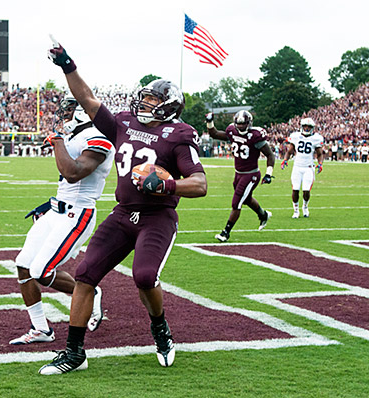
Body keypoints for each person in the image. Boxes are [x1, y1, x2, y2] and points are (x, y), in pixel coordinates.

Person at [39, 37, 207, 375]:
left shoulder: (179, 134)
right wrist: (67, 64)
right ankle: (74, 353)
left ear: (169, 106)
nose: (144, 103)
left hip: (156, 217)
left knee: (145, 276)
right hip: (121, 215)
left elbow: (200, 184)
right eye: (143, 97)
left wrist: (167, 184)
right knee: (86, 274)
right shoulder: (124, 122)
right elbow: (86, 99)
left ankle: (159, 328)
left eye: (152, 99)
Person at [10, 96, 115, 345]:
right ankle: (41, 329)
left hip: (77, 214)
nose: (63, 116)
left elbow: (73, 173)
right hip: (57, 211)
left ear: (83, 113)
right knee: (23, 265)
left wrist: (57, 143)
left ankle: (91, 291)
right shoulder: (74, 137)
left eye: (68, 111)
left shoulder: (98, 138)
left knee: (41, 271)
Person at [205, 111, 275, 242]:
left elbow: (270, 155)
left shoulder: (255, 136)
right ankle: (263, 215)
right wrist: (209, 121)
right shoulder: (232, 131)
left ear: (249, 123)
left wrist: (269, 174)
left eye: (243, 124)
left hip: (251, 175)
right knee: (246, 199)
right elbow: (214, 134)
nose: (241, 127)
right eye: (239, 124)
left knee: (236, 203)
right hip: (238, 174)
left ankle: (226, 232)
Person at [281, 118, 324, 218]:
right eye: (305, 126)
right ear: (301, 126)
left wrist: (320, 163)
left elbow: (320, 153)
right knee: (295, 189)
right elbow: (290, 151)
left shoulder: (316, 138)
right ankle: (296, 210)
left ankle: (305, 207)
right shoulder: (296, 136)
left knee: (306, 190)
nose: (307, 128)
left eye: (309, 127)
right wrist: (285, 160)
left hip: (308, 167)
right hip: (297, 167)